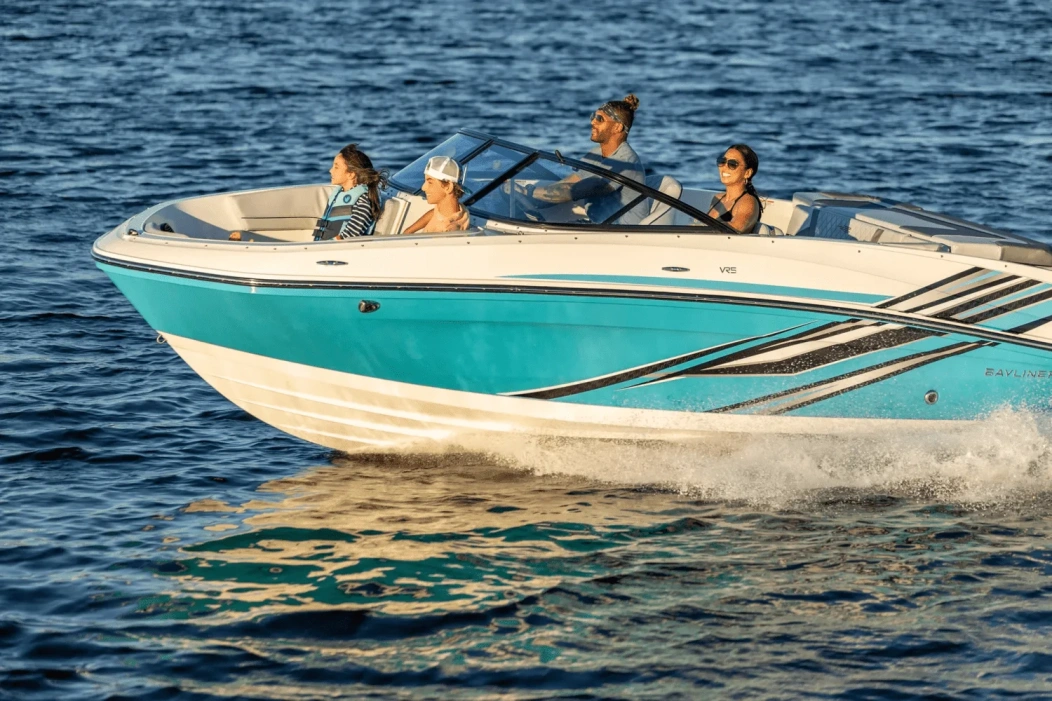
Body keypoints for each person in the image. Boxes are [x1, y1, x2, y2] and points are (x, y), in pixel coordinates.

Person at [531, 94, 647, 224]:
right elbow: (571, 181)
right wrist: (534, 199)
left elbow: (576, 190)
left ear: (617, 127)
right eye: (593, 117)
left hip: (622, 232)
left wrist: (530, 192)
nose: (592, 122)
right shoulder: (596, 153)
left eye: (599, 119)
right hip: (599, 225)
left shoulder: (625, 161)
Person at [313, 143, 388, 240]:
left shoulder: (363, 199)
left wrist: (325, 246)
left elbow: (351, 234)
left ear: (351, 174)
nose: (330, 170)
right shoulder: (338, 193)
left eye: (336, 167)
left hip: (338, 248)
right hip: (324, 246)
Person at [403, 156, 471, 234]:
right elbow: (435, 213)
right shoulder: (457, 211)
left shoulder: (448, 230)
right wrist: (409, 231)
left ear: (448, 187)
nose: (423, 187)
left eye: (430, 183)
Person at [708, 144, 763, 234]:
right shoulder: (717, 198)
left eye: (732, 164)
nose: (724, 167)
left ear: (747, 173)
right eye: (722, 161)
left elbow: (734, 230)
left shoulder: (748, 202)